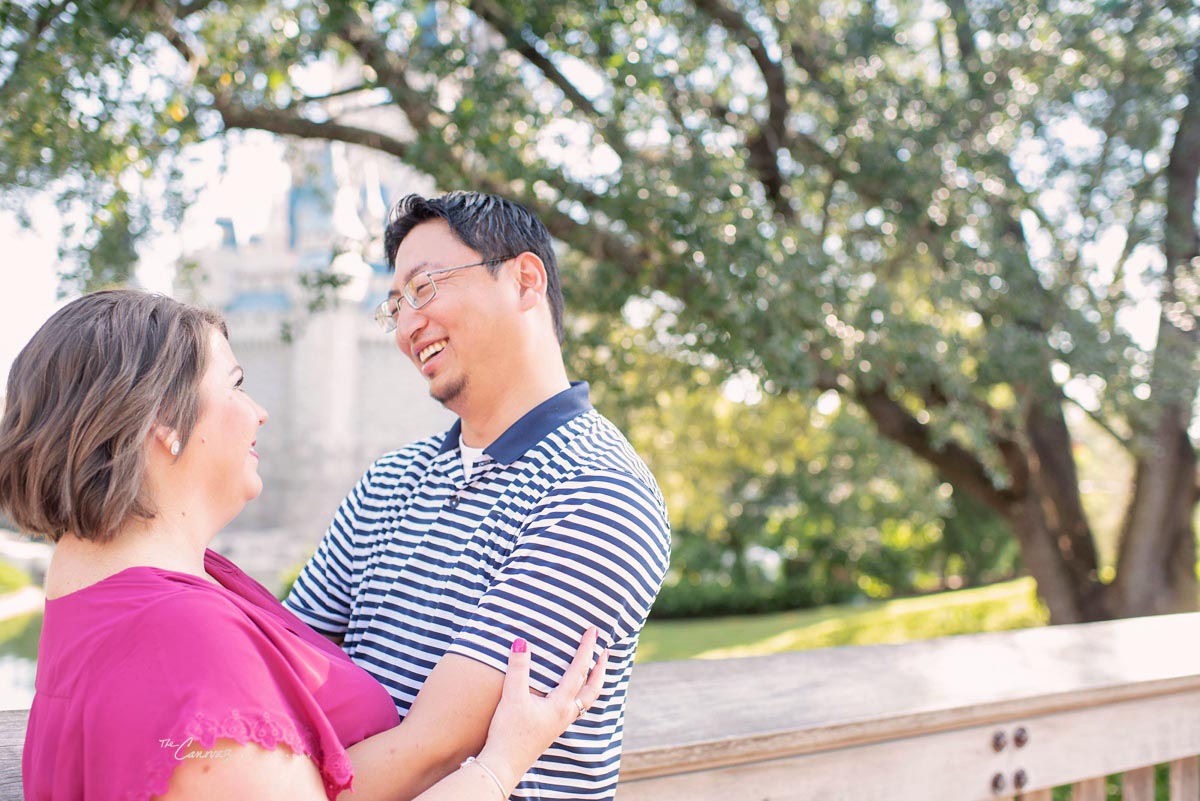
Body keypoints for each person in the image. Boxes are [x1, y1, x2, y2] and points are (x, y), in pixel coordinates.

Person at [0, 290, 607, 801]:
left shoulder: (106, 582)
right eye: (235, 385)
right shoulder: (186, 637)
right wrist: (499, 764)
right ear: (163, 420)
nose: (258, 412)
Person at [285, 191, 672, 800]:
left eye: (424, 288)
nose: (408, 325)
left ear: (524, 281)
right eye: (394, 307)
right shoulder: (389, 481)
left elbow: (435, 749)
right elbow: (281, 670)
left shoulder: (600, 492)